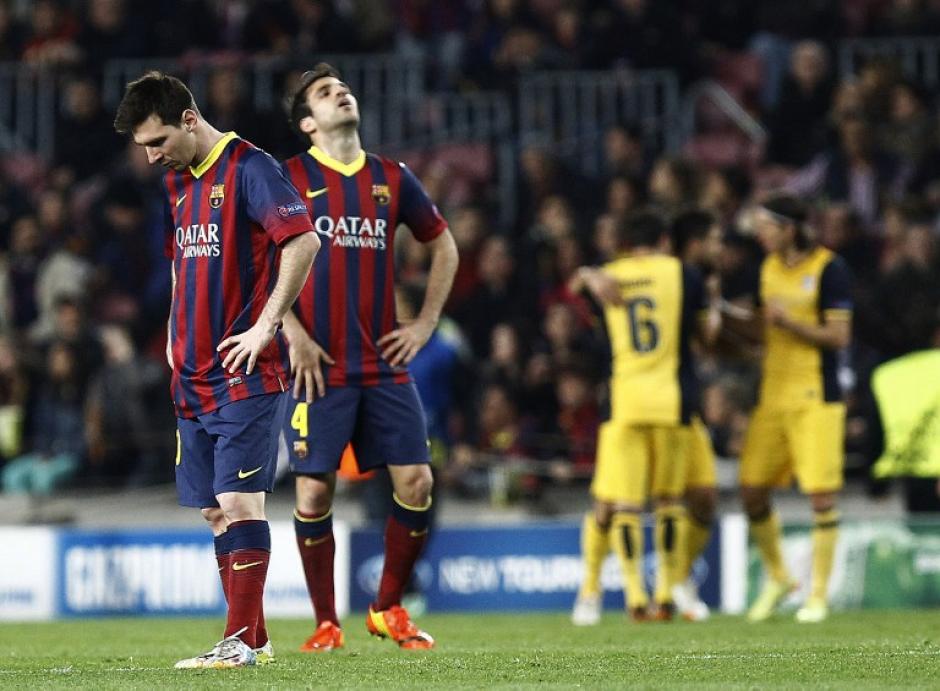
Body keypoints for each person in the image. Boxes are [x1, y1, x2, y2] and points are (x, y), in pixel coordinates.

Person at [113, 71, 319, 668]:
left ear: (187, 118)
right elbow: (182, 261)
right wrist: (176, 337)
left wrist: (267, 325)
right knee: (212, 509)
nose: (152, 157)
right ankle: (251, 638)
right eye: (144, 148)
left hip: (245, 370)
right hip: (193, 374)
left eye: (157, 142)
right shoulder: (178, 184)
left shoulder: (251, 169)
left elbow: (301, 242)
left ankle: (236, 644)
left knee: (238, 500)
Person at [279, 63, 458, 651]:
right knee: (313, 493)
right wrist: (292, 332)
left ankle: (387, 608)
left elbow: (444, 245)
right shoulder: (290, 178)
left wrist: (427, 322)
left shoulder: (392, 176)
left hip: (383, 364)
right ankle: (326, 623)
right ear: (308, 122)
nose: (341, 94)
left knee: (417, 480)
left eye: (344, 88)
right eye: (326, 93)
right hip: (317, 365)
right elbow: (258, 266)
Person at [568, 211, 717, 626]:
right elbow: (707, 336)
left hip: (624, 401)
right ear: (665, 239)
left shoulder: (610, 275)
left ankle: (634, 598)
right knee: (669, 500)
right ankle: (665, 593)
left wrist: (588, 275)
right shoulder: (684, 275)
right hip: (672, 400)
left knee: (622, 504)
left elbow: (573, 296)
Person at [737, 194, 852, 624]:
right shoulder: (767, 270)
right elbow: (765, 330)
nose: (761, 234)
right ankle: (780, 576)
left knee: (821, 495)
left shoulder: (829, 269)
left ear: (790, 229)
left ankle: (818, 596)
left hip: (815, 397)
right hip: (773, 395)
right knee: (751, 489)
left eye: (767, 226)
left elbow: (840, 337)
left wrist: (790, 324)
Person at [668, 210, 724, 621]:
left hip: (685, 405)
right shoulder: (686, 278)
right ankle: (656, 588)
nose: (719, 247)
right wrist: (715, 304)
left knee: (703, 495)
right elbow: (710, 338)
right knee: (652, 501)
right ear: (696, 241)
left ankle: (677, 577)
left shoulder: (686, 279)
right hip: (660, 403)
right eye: (714, 238)